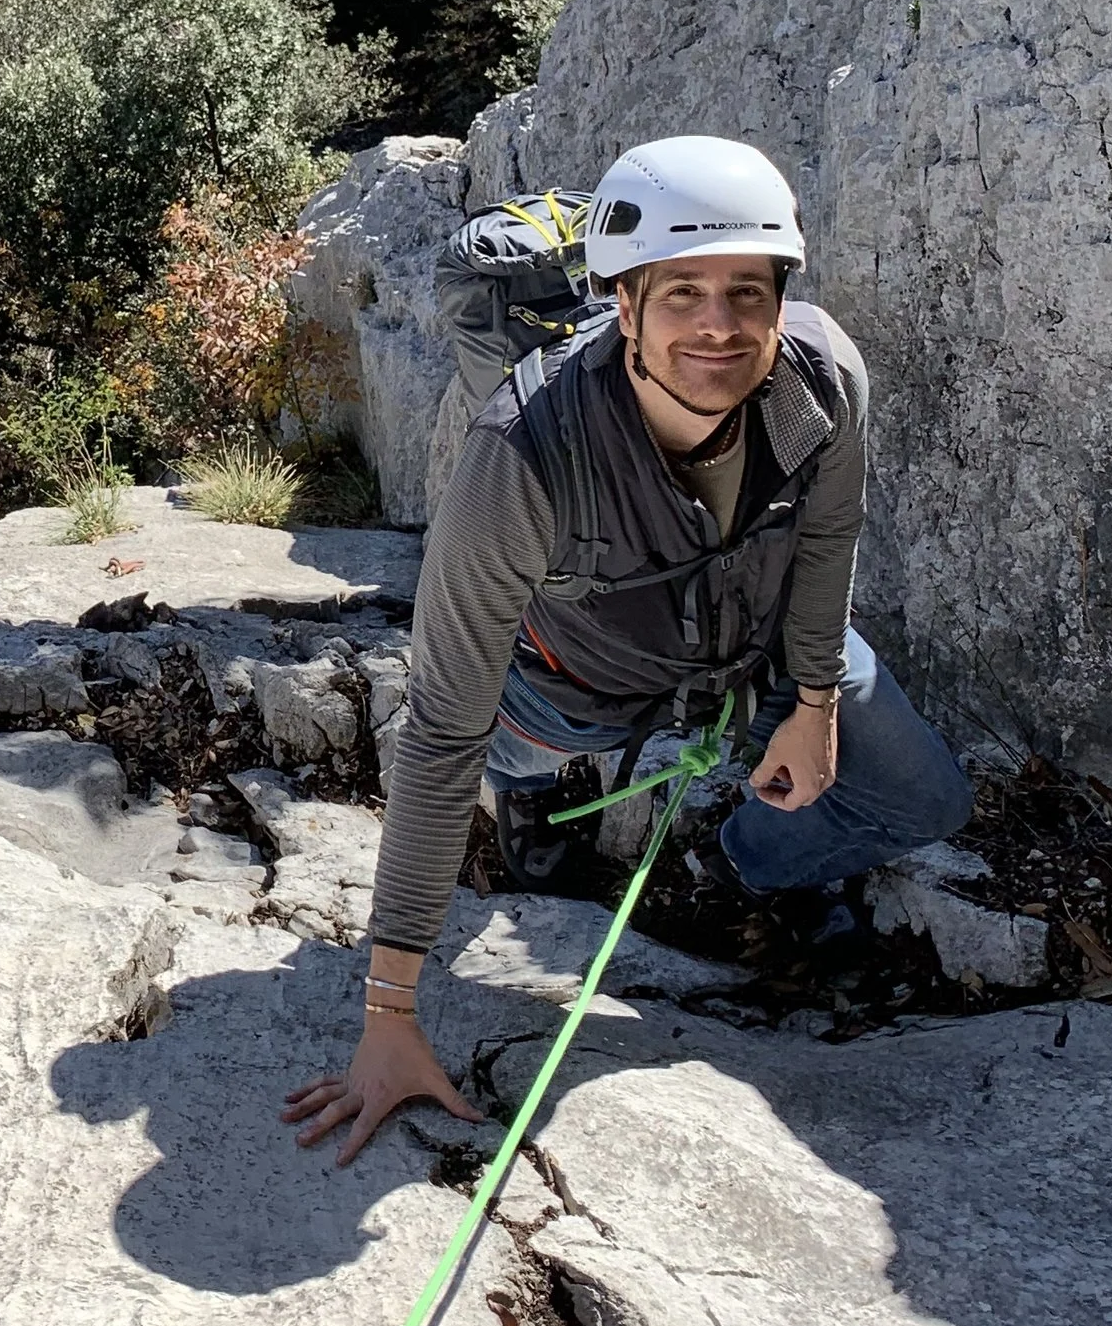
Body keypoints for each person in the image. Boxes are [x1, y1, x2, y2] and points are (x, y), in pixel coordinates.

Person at [285, 134, 972, 1163]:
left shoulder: (821, 382)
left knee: (926, 801)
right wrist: (390, 1014)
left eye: (748, 290)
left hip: (757, 655)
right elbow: (437, 733)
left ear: (782, 294)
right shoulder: (520, 456)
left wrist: (815, 703)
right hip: (572, 676)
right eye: (683, 291)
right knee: (504, 751)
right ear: (623, 305)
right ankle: (536, 792)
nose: (719, 324)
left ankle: (750, 862)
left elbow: (827, 536)